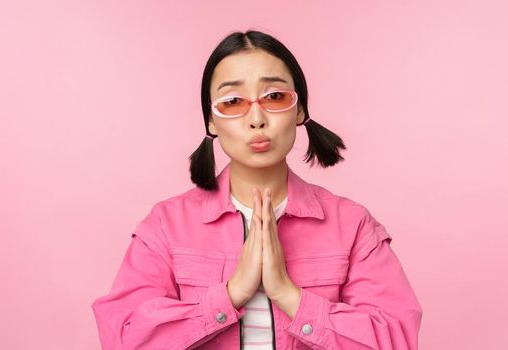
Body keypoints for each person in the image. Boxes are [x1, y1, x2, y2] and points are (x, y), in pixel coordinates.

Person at [90, 30, 423, 350]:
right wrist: (231, 294)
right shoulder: (166, 225)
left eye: (274, 97)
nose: (256, 118)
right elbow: (124, 337)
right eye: (233, 101)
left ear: (300, 110)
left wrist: (289, 295)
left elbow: (396, 340)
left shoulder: (352, 225)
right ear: (210, 120)